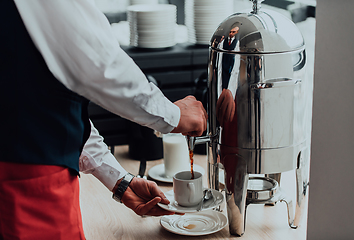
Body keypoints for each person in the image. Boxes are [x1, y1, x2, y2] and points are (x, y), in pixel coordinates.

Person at [0, 1, 207, 239]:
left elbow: (44, 102)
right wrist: (174, 115)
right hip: (24, 185)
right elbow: (99, 65)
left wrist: (118, 180)